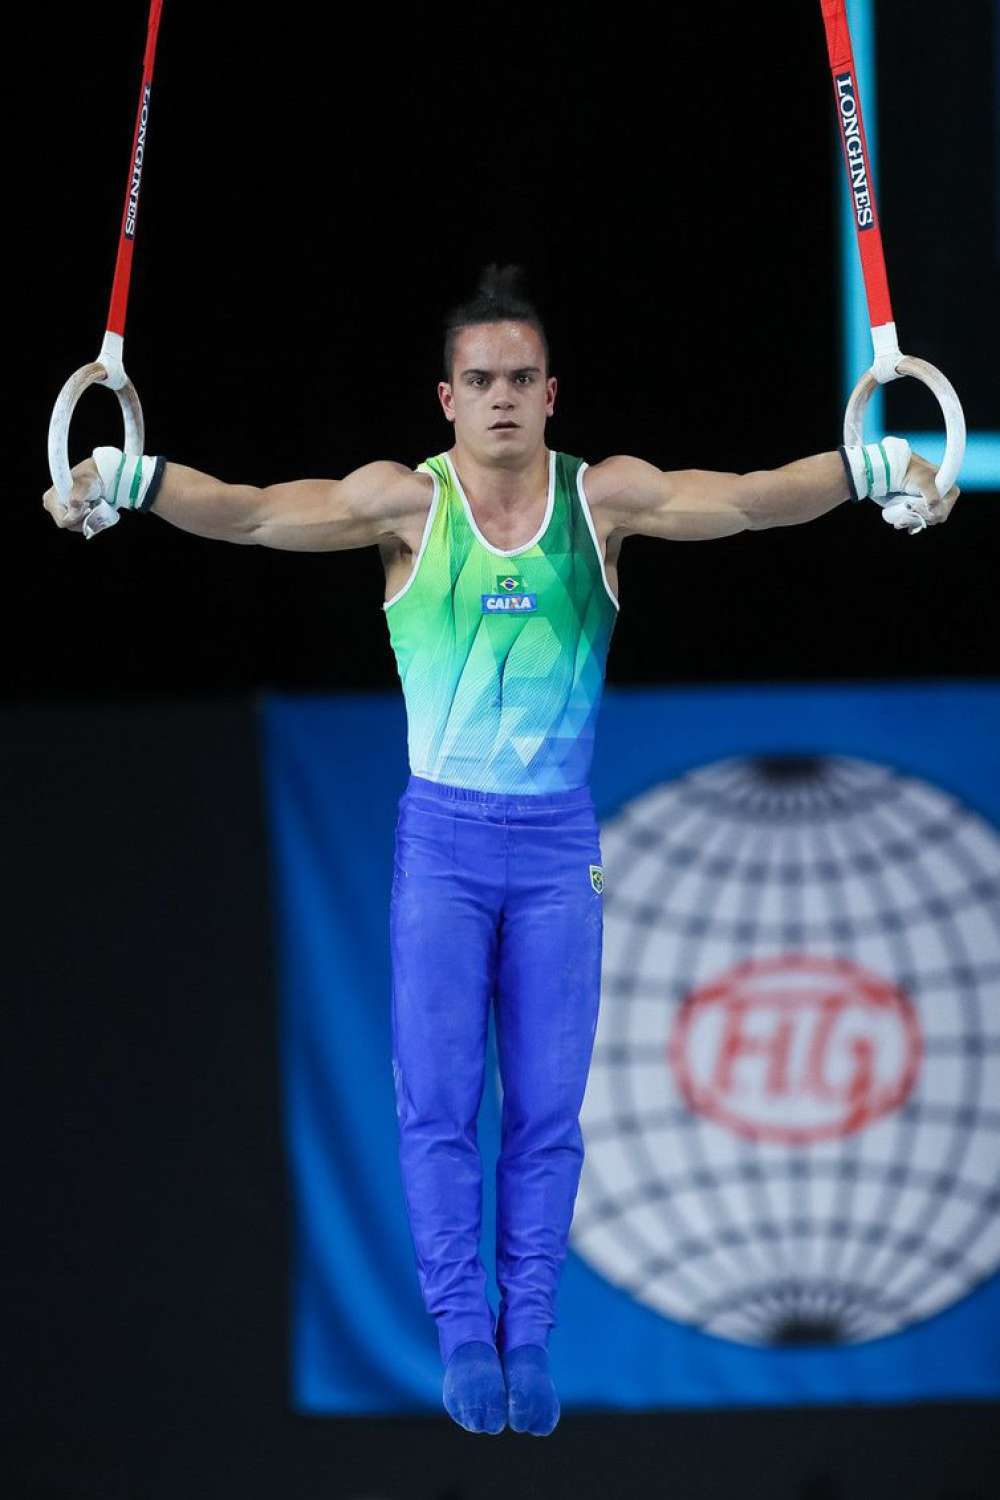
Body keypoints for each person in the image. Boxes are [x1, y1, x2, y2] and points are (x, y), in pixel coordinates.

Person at [43, 264, 959, 1437]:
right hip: (443, 844)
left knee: (543, 1111)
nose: (503, 400)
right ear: (445, 399)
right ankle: (461, 1337)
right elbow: (258, 510)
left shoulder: (605, 502)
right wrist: (129, 478)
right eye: (481, 380)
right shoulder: (405, 508)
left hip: (553, 849)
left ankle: (528, 1334)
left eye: (521, 378)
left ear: (552, 390)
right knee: (435, 1104)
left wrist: (877, 464)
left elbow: (746, 498)